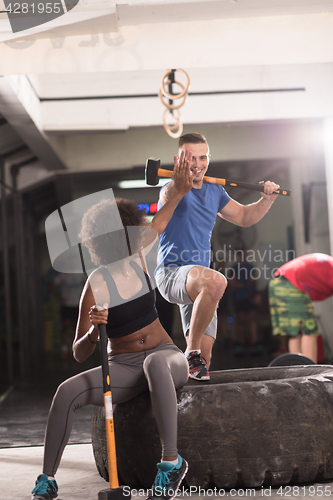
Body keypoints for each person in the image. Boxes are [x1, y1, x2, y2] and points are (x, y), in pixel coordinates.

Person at [31, 164, 193, 500]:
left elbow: (164, 214)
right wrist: (94, 331)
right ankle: (47, 479)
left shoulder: (141, 257)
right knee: (65, 392)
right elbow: (78, 352)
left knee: (155, 364)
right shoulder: (96, 284)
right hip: (122, 366)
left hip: (165, 357)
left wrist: (180, 185)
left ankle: (171, 463)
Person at [156, 132, 280, 380]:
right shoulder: (170, 189)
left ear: (209, 159)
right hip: (172, 274)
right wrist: (181, 189)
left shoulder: (215, 191)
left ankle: (184, 394)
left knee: (205, 360)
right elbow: (160, 219)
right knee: (217, 280)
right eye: (191, 158)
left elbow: (244, 217)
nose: (197, 164)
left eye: (203, 158)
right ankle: (190, 352)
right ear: (178, 159)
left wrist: (267, 200)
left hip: (201, 285)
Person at [269, 253, 333, 364]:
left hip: (279, 281)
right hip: (290, 283)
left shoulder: (329, 264)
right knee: (310, 329)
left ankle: (298, 371)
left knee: (296, 333)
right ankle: (310, 374)